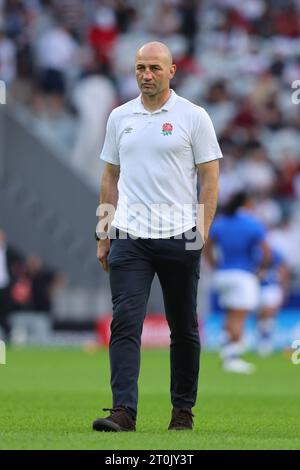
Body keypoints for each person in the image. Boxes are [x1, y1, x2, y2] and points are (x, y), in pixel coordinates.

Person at [93, 41, 222, 432]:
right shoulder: (119, 117)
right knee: (125, 322)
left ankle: (182, 410)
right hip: (130, 235)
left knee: (183, 327)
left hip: (180, 235)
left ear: (172, 71)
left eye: (154, 68)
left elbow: (210, 176)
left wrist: (201, 231)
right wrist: (103, 232)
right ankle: (123, 412)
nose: (146, 74)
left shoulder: (193, 116)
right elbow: (110, 177)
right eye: (140, 68)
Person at [205, 192, 270, 374]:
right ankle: (232, 358)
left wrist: (214, 266)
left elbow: (207, 246)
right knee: (238, 317)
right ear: (247, 203)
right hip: (243, 275)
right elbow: (266, 251)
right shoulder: (253, 224)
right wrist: (260, 270)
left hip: (223, 274)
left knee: (230, 314)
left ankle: (227, 352)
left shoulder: (221, 223)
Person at [257, 247, 289, 356]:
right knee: (260, 316)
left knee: (269, 311)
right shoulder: (254, 252)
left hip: (272, 287)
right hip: (257, 287)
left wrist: (284, 289)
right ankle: (263, 339)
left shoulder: (276, 253)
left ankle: (266, 341)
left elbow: (284, 270)